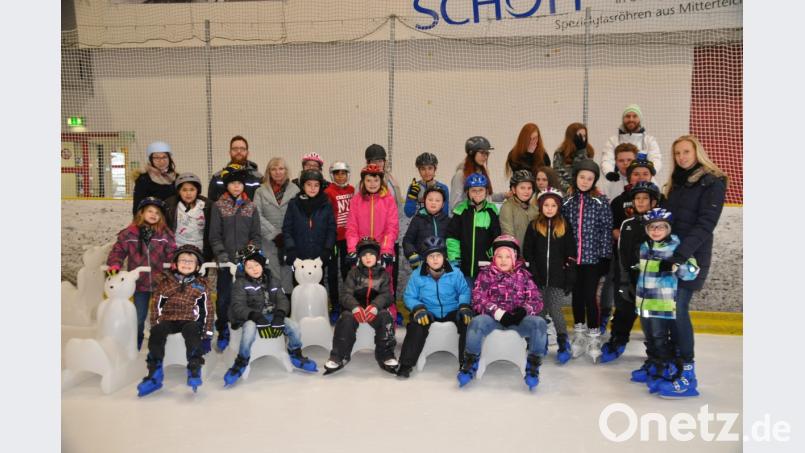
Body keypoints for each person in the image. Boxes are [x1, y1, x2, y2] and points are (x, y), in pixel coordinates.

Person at [653, 135, 728, 397]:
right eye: (677, 153)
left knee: (678, 309)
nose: (682, 157)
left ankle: (688, 375)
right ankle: (672, 366)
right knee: (668, 311)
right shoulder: (676, 183)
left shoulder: (713, 181)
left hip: (691, 258)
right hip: (672, 256)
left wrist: (680, 255)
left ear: (697, 152)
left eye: (686, 152)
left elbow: (706, 224)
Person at [457, 235, 547, 390]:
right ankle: (470, 361)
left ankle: (533, 365)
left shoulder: (524, 276)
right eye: (499, 256)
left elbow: (536, 300)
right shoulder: (485, 274)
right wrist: (498, 313)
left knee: (539, 323)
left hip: (518, 321)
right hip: (493, 320)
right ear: (494, 257)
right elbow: (478, 299)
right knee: (476, 322)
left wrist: (522, 311)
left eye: (507, 256)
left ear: (514, 258)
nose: (503, 260)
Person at [629, 209, 700, 398]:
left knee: (660, 336)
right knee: (651, 337)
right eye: (652, 227)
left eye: (661, 227)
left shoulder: (676, 246)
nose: (656, 230)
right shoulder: (644, 246)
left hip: (662, 303)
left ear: (668, 229)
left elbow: (692, 270)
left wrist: (676, 265)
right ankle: (656, 365)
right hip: (644, 302)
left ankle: (666, 368)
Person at [223, 245, 317, 387]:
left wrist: (280, 314)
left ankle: (295, 353)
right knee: (249, 330)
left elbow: (282, 299)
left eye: (256, 265)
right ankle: (241, 360)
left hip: (271, 315)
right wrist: (255, 316)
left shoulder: (273, 280)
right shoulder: (240, 283)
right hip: (250, 318)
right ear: (244, 269)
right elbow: (238, 306)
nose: (254, 269)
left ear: (262, 264)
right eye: (249, 267)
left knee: (294, 326)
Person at [136, 245, 212, 396]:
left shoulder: (201, 285)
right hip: (168, 319)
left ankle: (194, 367)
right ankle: (155, 373)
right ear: (175, 264)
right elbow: (156, 305)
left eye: (191, 261)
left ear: (197, 266)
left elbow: (208, 310)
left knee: (192, 331)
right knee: (157, 332)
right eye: (183, 260)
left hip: (189, 319)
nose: (186, 264)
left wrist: (207, 335)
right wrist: (155, 324)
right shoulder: (165, 282)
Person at [600, 181, 660, 363]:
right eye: (637, 198)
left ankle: (656, 355)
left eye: (645, 199)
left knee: (652, 322)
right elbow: (622, 256)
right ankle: (618, 340)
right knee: (623, 310)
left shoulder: (659, 224)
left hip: (652, 282)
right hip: (629, 278)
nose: (641, 202)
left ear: (653, 202)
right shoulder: (627, 224)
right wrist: (624, 282)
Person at [396, 236, 473, 378]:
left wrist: (463, 306)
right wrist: (418, 308)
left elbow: (464, 290)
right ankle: (406, 364)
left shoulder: (455, 273)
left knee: (467, 322)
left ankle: (466, 362)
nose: (435, 259)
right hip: (428, 311)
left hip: (452, 309)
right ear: (425, 259)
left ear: (444, 256)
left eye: (438, 255)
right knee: (415, 325)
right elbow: (409, 296)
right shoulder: (417, 275)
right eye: (431, 256)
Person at [107, 196, 176, 350]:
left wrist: (174, 263)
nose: (153, 215)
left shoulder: (165, 234)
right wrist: (115, 264)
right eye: (150, 211)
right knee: (138, 316)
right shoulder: (129, 234)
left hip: (161, 282)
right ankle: (135, 340)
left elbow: (172, 252)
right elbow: (118, 251)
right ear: (141, 213)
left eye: (157, 213)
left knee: (160, 315)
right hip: (139, 284)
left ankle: (159, 342)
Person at [560, 159, 612, 362]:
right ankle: (579, 334)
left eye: (589, 178)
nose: (585, 181)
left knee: (590, 297)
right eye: (582, 177)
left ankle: (593, 336)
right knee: (577, 297)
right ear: (576, 177)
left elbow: (606, 232)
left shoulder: (600, 202)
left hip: (592, 260)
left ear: (594, 181)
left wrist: (605, 257)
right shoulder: (567, 202)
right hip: (574, 260)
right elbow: (562, 231)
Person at [323, 238, 399, 375]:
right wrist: (355, 307)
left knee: (386, 317)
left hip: (375, 311)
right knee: (346, 318)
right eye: (364, 255)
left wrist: (376, 306)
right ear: (359, 258)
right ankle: (338, 356)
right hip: (356, 310)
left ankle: (386, 355)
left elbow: (388, 295)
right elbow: (346, 295)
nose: (368, 257)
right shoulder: (353, 274)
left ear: (377, 257)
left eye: (371, 254)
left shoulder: (384, 274)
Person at [209, 165, 262, 352]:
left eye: (240, 183)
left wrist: (249, 253)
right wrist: (222, 254)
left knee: (244, 297)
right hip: (226, 262)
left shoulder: (251, 207)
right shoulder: (218, 206)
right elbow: (214, 235)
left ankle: (240, 327)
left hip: (245, 263)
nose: (236, 187)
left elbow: (256, 236)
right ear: (227, 186)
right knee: (224, 297)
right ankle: (223, 329)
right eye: (232, 183)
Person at [522, 187, 576, 364]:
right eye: (546, 205)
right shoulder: (534, 225)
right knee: (540, 311)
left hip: (557, 278)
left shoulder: (564, 225)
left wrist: (569, 276)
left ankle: (563, 342)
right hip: (538, 278)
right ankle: (540, 341)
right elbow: (528, 251)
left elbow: (571, 252)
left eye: (553, 205)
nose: (550, 208)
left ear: (558, 207)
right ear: (540, 206)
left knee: (554, 309)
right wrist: (532, 273)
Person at [344, 163, 399, 318]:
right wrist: (352, 250)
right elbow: (352, 227)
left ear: (381, 181)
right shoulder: (356, 201)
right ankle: (358, 320)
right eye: (369, 180)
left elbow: (392, 226)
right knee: (358, 287)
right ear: (363, 182)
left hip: (381, 252)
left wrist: (387, 250)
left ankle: (389, 322)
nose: (372, 184)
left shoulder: (388, 200)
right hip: (363, 253)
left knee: (385, 288)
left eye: (376, 180)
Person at [253, 157, 299, 294]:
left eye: (281, 168)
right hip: (268, 240)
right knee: (271, 273)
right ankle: (274, 303)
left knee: (287, 271)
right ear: (268, 172)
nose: (277, 172)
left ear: (286, 171)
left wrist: (286, 236)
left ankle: (288, 303)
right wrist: (275, 235)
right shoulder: (260, 191)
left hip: (289, 240)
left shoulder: (295, 190)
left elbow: (298, 216)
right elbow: (257, 215)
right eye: (273, 169)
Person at [446, 173, 501, 286]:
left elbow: (497, 236)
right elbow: (452, 237)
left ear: (486, 192)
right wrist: (455, 258)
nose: (477, 193)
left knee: (483, 298)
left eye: (480, 190)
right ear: (467, 192)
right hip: (464, 266)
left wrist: (492, 255)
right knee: (466, 297)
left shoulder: (492, 211)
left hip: (485, 267)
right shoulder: (460, 211)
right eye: (473, 190)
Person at [281, 170, 336, 274]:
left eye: (316, 185)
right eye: (309, 185)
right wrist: (291, 248)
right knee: (299, 286)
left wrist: (327, 249)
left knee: (318, 285)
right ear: (303, 186)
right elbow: (287, 229)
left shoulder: (326, 204)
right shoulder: (294, 204)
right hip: (299, 255)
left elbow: (331, 229)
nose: (312, 188)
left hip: (319, 255)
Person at [323, 161, 356, 322]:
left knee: (347, 272)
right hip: (334, 239)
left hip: (348, 239)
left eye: (343, 173)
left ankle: (347, 303)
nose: (340, 176)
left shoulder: (352, 190)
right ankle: (335, 305)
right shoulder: (328, 192)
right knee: (332, 273)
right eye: (337, 173)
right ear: (332, 175)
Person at [601, 104, 662, 182]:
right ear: (623, 119)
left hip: (644, 183)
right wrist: (609, 172)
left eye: (635, 116)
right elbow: (607, 159)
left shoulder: (649, 140)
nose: (631, 119)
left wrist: (653, 170)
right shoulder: (613, 141)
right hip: (618, 182)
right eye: (627, 116)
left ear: (640, 119)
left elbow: (655, 158)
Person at [450, 136, 506, 210]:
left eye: (487, 153)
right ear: (472, 153)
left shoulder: (481, 172)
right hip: (467, 219)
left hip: (482, 218)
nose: (485, 157)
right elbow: (455, 205)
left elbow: (486, 197)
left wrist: (504, 195)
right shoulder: (460, 175)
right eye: (482, 153)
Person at [164, 172, 211, 260]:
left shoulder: (207, 205)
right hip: (176, 248)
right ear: (179, 191)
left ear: (197, 191)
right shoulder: (170, 205)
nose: (188, 193)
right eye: (184, 190)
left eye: (192, 189)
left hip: (200, 248)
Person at [402, 185, 450, 270]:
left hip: (443, 264)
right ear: (424, 201)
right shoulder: (417, 219)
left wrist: (451, 258)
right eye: (430, 200)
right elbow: (408, 240)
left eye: (437, 200)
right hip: (422, 264)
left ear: (443, 204)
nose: (433, 203)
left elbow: (453, 242)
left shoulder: (448, 221)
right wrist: (412, 254)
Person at [207, 135, 263, 202]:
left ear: (247, 153)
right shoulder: (217, 178)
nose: (239, 151)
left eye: (242, 149)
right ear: (230, 152)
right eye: (235, 149)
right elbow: (211, 204)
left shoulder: (258, 178)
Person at [132, 141, 178, 215]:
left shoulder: (177, 178)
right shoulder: (143, 179)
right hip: (153, 221)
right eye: (156, 157)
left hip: (173, 221)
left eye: (164, 157)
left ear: (169, 158)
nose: (161, 161)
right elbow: (137, 206)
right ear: (151, 159)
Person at [499, 169, 539, 247]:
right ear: (514, 189)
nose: (526, 191)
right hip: (515, 254)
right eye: (522, 188)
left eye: (529, 188)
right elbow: (508, 234)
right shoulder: (507, 207)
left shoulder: (535, 207)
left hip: (532, 255)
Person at [403, 152, 450, 218]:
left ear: (435, 169)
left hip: (436, 227)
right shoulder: (414, 187)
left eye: (430, 168)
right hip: (418, 226)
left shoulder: (443, 188)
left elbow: (445, 214)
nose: (427, 172)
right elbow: (408, 213)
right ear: (419, 171)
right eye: (423, 169)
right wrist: (411, 197)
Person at [552, 123, 595, 193]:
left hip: (584, 191)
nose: (582, 139)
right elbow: (557, 175)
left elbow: (586, 170)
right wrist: (568, 188)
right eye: (579, 136)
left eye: (584, 136)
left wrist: (581, 152)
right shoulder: (560, 152)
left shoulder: (589, 152)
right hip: (566, 192)